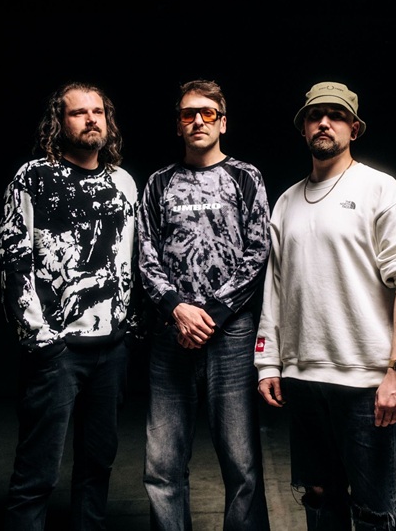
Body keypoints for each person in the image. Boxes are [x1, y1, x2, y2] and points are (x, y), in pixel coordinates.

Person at [255, 81, 396, 531]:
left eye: (336, 116)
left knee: (374, 510)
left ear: (354, 128)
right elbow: (276, 287)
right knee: (318, 498)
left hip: (366, 382)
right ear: (303, 128)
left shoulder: (379, 189)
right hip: (304, 378)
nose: (324, 123)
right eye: (315, 116)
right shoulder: (286, 201)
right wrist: (268, 362)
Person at [0, 82, 140, 531]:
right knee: (37, 474)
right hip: (56, 350)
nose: (91, 119)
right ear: (59, 122)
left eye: (98, 111)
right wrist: (40, 340)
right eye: (79, 112)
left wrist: (125, 327)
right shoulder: (33, 176)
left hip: (111, 349)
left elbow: (129, 260)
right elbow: (13, 257)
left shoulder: (123, 182)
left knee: (98, 467)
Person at [137, 79, 272, 531]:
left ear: (222, 122)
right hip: (171, 334)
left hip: (231, 334)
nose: (198, 120)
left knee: (241, 465)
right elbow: (146, 256)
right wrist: (178, 309)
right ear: (178, 125)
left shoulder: (246, 177)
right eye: (188, 114)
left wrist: (211, 315)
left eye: (208, 113)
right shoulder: (158, 183)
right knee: (162, 466)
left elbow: (258, 252)